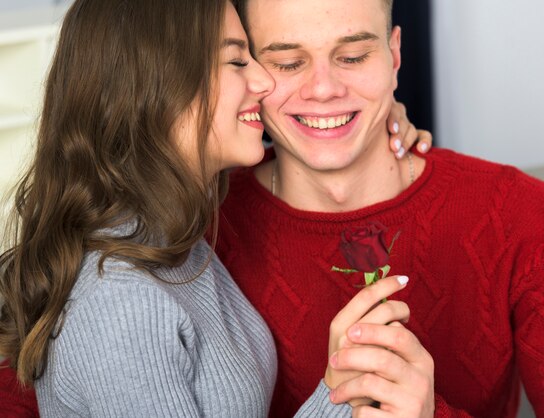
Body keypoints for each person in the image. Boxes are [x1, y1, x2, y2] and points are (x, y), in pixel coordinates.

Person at [0, 0, 433, 416]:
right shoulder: (121, 302)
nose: (263, 82)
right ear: (162, 85)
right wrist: (340, 392)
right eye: (238, 61)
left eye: (354, 56)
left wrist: (372, 113)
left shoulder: (177, 236)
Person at [214, 0, 544, 416]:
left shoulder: (532, 219)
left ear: (394, 55)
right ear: (244, 71)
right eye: (287, 63)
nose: (324, 88)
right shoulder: (200, 229)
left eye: (353, 57)